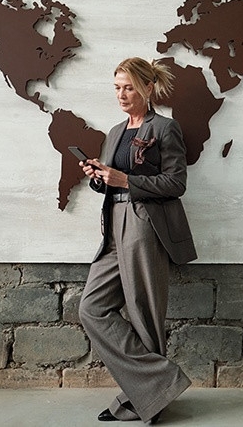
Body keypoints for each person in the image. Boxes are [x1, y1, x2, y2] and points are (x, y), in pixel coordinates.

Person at [78, 57, 197, 424]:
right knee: (92, 308)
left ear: (147, 88)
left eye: (128, 87)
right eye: (117, 87)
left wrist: (125, 181)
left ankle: (146, 399)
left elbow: (176, 183)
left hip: (145, 224)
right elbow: (113, 179)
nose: (122, 94)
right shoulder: (114, 132)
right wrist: (98, 176)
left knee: (144, 313)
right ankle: (159, 384)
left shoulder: (164, 128)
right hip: (114, 223)